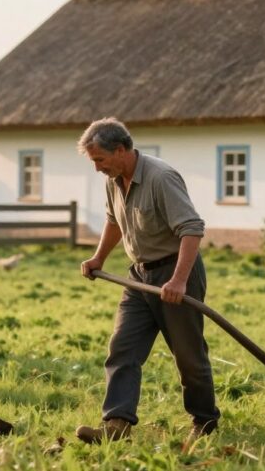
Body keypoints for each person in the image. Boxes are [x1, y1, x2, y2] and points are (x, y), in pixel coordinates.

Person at [75, 117, 220, 445]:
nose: (97, 168)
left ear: (122, 149)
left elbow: (192, 229)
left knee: (188, 355)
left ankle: (205, 421)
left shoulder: (161, 177)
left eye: (100, 159)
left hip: (175, 273)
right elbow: (114, 221)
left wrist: (179, 280)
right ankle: (117, 423)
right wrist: (99, 258)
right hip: (138, 277)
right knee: (122, 347)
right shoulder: (114, 179)